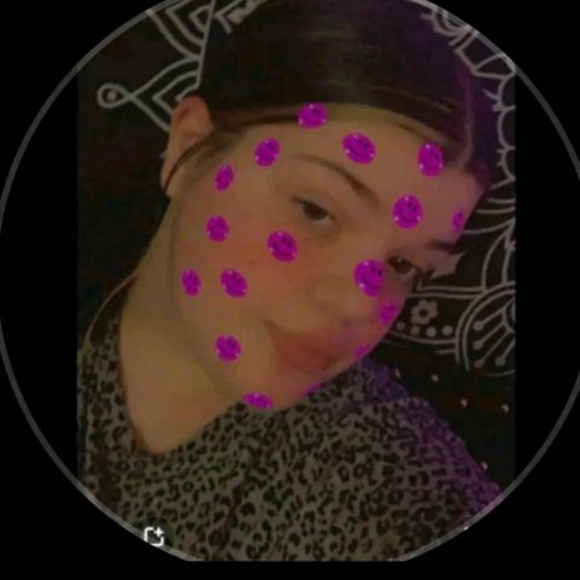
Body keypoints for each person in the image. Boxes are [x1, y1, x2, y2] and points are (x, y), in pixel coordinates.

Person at [77, 0, 502, 561]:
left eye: (406, 267)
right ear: (189, 144)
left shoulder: (389, 488)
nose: (358, 305)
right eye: (316, 210)